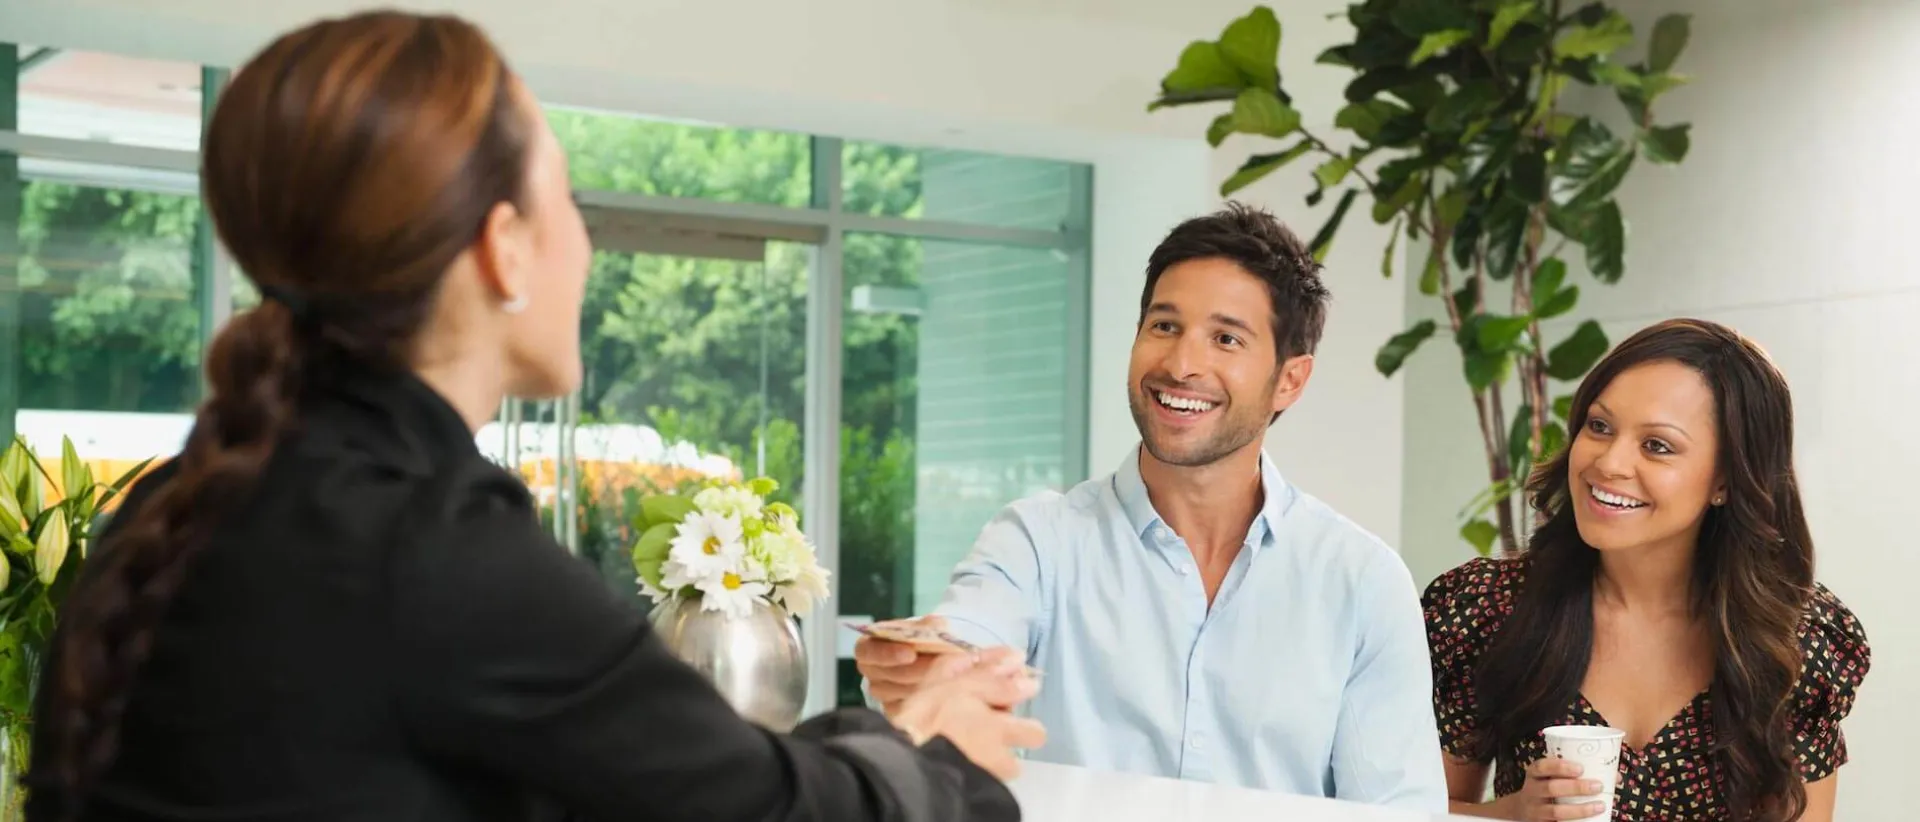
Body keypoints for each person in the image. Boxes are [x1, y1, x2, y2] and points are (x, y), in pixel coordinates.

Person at [25, 11, 1044, 822]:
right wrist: (941, 759)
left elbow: (672, 782)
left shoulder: (188, 503)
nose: (586, 251)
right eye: (568, 202)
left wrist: (895, 741)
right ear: (505, 247)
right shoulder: (432, 550)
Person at [854, 203, 1447, 811]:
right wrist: (919, 665)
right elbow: (965, 640)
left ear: (1290, 379)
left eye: (1226, 338)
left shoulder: (1362, 581)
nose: (1182, 365)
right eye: (1164, 326)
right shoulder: (1039, 541)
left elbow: (1396, 810)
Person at [1422, 319, 1870, 822]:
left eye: (1657, 445)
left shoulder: (1795, 638)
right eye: (1599, 426)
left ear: (1726, 478)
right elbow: (1409, 810)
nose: (1609, 463)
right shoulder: (1487, 607)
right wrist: (1510, 815)